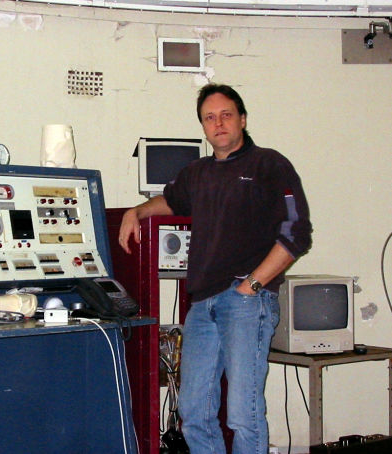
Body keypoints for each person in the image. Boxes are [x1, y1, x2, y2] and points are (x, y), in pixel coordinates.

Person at [118, 83, 312, 454]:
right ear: (204, 128)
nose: (218, 123)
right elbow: (170, 200)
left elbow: (296, 235)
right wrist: (137, 211)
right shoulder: (198, 172)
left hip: (246, 302)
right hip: (202, 306)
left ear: (242, 119)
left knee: (243, 414)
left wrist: (251, 286)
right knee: (193, 413)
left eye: (226, 115)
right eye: (210, 118)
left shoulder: (269, 165)